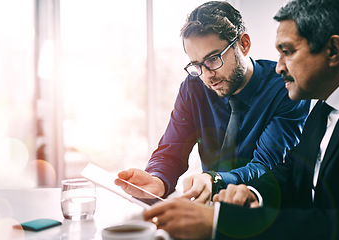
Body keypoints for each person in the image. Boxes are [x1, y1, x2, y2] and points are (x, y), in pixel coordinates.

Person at [142, 0, 339, 239]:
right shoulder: (325, 106)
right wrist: (252, 193)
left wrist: (220, 222)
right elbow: (292, 171)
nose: (279, 67)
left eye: (287, 52)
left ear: (332, 50)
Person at [116, 1, 309, 203]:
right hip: (206, 211)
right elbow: (172, 150)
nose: (207, 75)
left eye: (213, 58)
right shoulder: (193, 87)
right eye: (196, 64)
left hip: (261, 213)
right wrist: (158, 179)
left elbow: (265, 166)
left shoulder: (285, 88)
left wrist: (215, 180)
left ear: (244, 44)